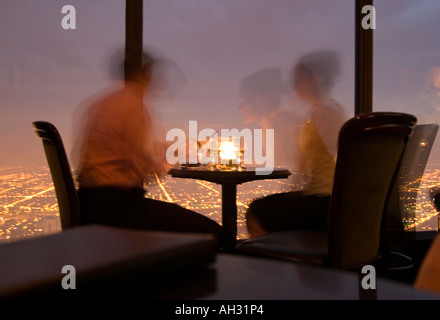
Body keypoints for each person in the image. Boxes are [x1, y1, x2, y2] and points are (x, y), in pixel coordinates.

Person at [74, 50, 224, 247]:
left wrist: (181, 146)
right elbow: (148, 171)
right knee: (213, 233)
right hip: (117, 210)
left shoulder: (103, 103)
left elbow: (127, 147)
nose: (158, 84)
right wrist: (174, 156)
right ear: (142, 75)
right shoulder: (134, 106)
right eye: (154, 76)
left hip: (90, 205)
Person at [245, 50, 348, 238]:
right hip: (323, 198)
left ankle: (271, 259)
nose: (294, 86)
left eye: (298, 79)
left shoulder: (327, 114)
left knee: (256, 211)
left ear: (315, 79)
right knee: (263, 207)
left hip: (325, 201)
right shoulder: (321, 113)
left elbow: (338, 160)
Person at [238, 67, 298, 170]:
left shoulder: (278, 122)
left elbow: (279, 164)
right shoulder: (270, 122)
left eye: (242, 102)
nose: (240, 109)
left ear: (258, 99)